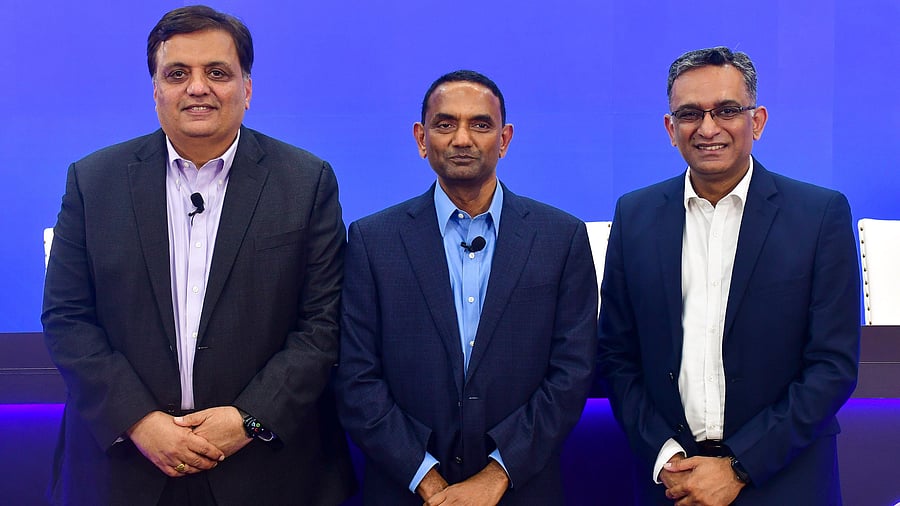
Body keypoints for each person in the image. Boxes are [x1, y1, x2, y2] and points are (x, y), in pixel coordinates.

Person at [41, 5, 355, 505]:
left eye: (217, 72)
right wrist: (139, 421)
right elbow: (67, 318)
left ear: (247, 90)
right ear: (156, 91)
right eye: (177, 73)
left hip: (265, 470)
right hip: (124, 469)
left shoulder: (306, 181)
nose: (197, 87)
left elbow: (324, 324)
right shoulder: (93, 182)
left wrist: (248, 417)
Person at [597, 46, 860, 505]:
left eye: (727, 110)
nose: (708, 127)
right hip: (669, 484)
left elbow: (832, 367)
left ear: (756, 121)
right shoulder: (634, 215)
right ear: (670, 128)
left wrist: (740, 466)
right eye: (690, 113)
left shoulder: (819, 215)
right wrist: (664, 458)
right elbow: (618, 355)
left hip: (785, 481)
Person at [335, 70, 598, 505]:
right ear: (421, 139)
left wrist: (495, 477)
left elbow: (572, 374)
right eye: (445, 124)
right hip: (408, 493)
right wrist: (427, 480)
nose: (462, 139)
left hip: (521, 491)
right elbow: (356, 377)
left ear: (505, 138)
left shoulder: (560, 238)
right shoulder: (372, 240)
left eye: (480, 124)